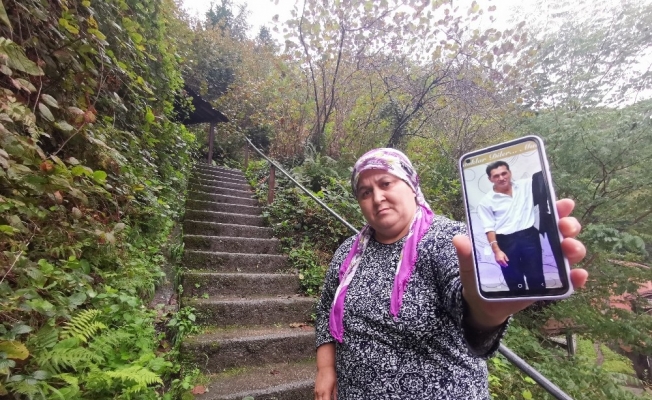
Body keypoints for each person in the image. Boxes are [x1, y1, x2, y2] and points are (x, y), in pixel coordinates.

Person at [314, 148, 587, 400]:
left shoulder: (448, 239)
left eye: (386, 183)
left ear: (411, 185)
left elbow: (466, 305)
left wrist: (485, 313)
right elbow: (327, 307)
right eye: (365, 192)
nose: (377, 198)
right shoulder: (350, 252)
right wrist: (325, 368)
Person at [476, 161, 545, 293]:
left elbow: (542, 176)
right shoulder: (486, 202)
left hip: (529, 236)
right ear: (490, 179)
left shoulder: (525, 185)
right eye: (496, 176)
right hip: (505, 242)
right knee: (514, 280)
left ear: (510, 173)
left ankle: (542, 303)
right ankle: (520, 304)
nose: (501, 178)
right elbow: (489, 228)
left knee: (536, 275)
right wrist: (497, 251)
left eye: (504, 173)